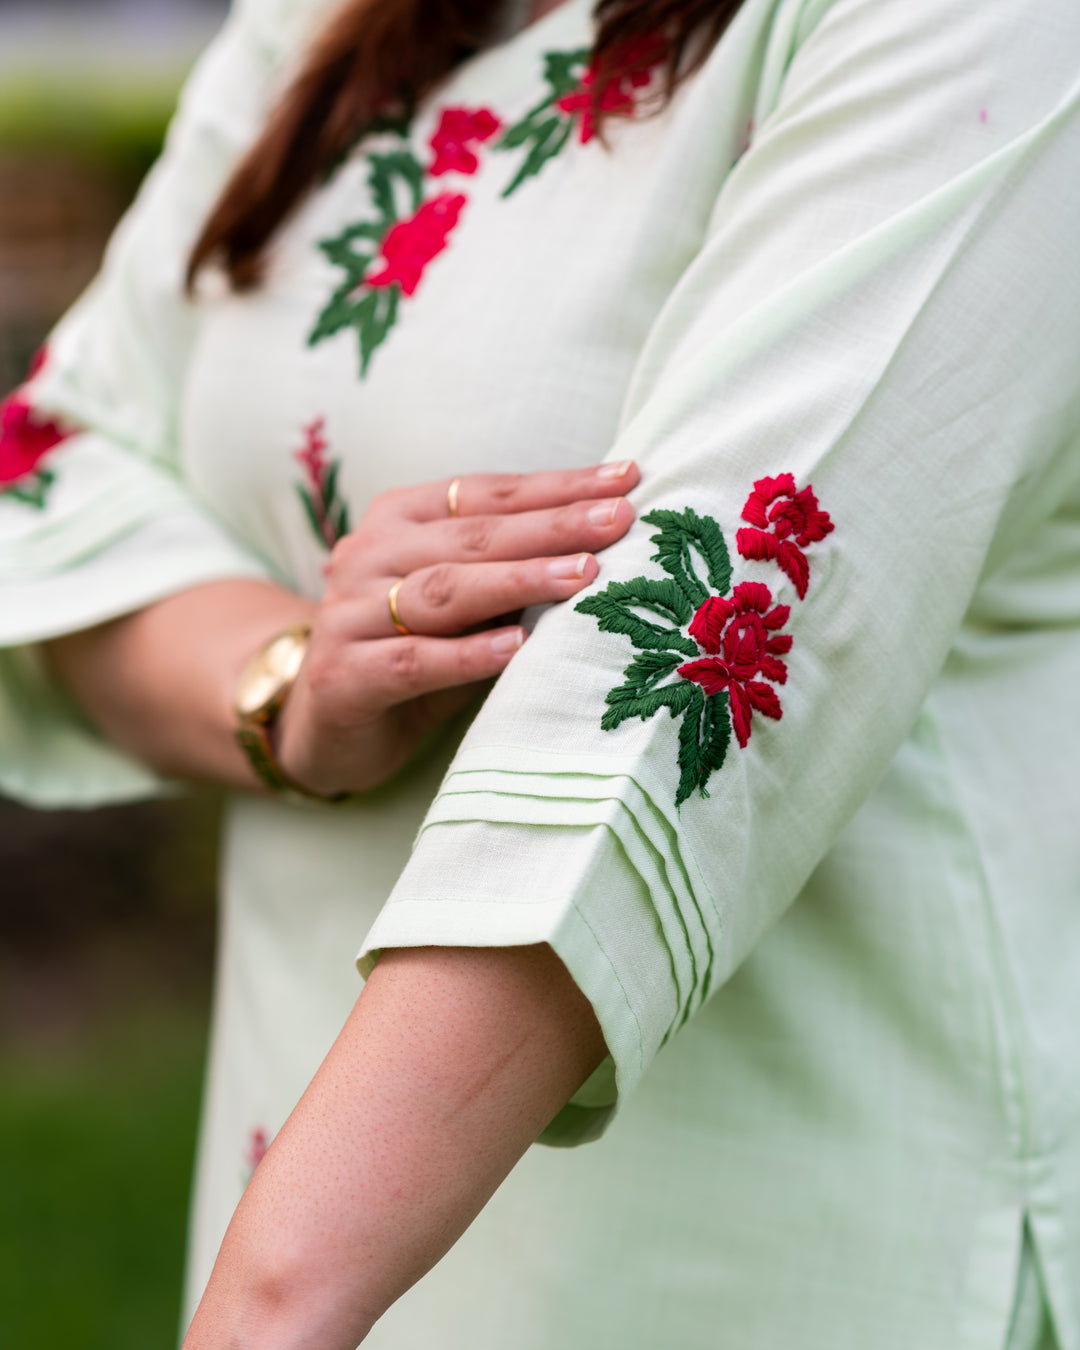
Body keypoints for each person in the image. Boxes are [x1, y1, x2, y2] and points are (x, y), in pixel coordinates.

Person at [1, 0, 1078, 1343]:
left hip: (767, 1235)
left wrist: (269, 1305)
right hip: (318, 1191)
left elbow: (670, 683)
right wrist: (285, 682)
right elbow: (58, 459)